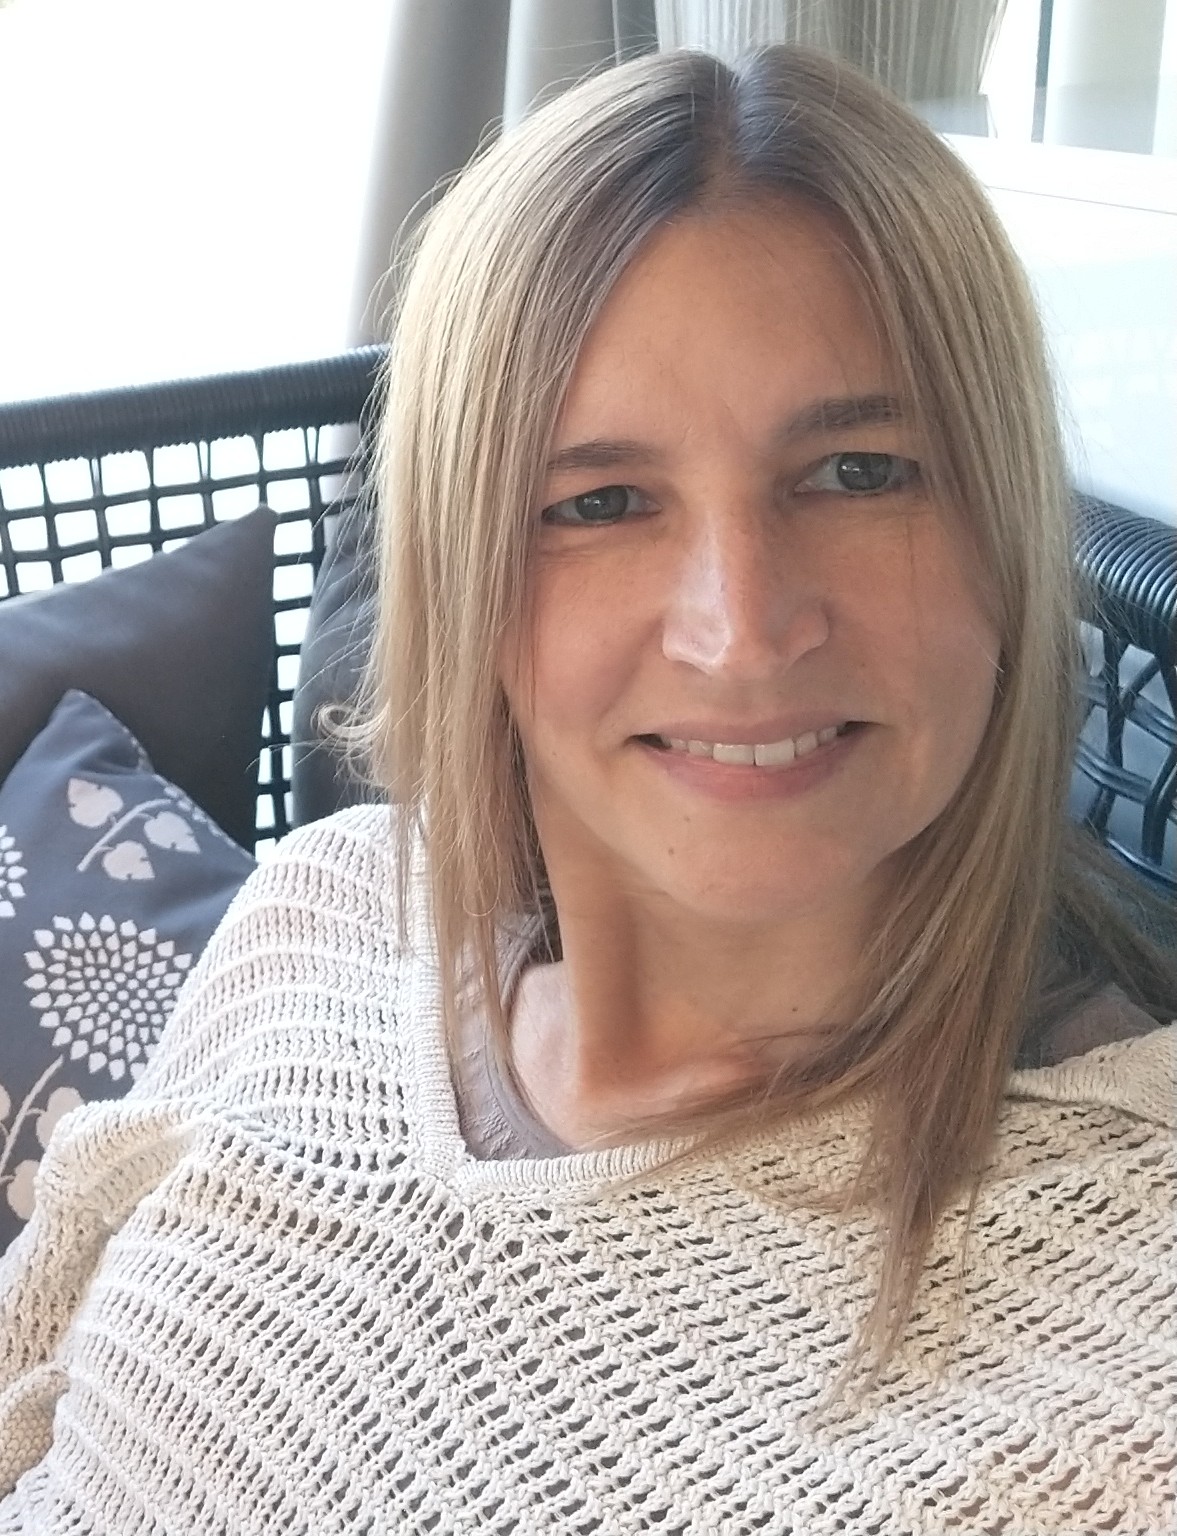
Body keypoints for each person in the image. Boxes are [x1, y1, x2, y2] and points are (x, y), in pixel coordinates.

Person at [2, 43, 1175, 1536]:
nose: (740, 630)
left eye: (858, 472)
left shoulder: (1127, 1324)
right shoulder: (331, 903)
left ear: (1002, 542)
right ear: (462, 580)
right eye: (601, 503)